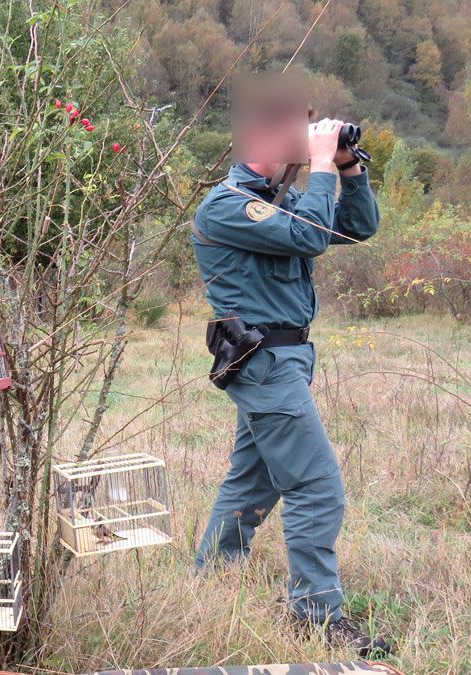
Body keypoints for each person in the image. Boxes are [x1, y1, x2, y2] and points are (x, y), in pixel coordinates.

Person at [191, 117, 393, 655]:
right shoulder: (228, 204)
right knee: (317, 487)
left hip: (287, 359)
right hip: (265, 363)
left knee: (252, 481)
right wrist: (322, 164)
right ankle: (317, 616)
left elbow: (356, 227)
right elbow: (309, 237)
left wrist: (346, 167)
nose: (303, 148)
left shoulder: (278, 200)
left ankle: (210, 579)